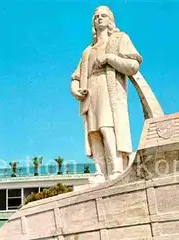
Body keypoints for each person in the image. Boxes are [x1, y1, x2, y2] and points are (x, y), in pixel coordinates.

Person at [71, 5, 142, 183]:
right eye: (96, 16)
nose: (99, 19)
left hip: (109, 90)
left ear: (110, 20)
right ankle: (100, 171)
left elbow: (133, 66)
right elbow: (76, 77)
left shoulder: (119, 39)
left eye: (103, 16)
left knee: (107, 127)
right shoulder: (88, 51)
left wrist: (110, 59)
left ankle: (116, 168)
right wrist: (75, 89)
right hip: (90, 93)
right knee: (94, 132)